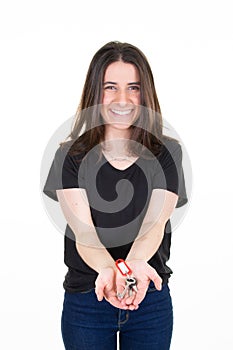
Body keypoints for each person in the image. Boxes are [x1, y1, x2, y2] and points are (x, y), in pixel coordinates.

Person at [43, 41, 188, 350]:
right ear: (95, 93)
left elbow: (155, 222)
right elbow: (84, 233)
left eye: (133, 87)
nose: (123, 99)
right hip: (88, 298)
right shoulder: (70, 156)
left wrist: (133, 267)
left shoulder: (167, 153)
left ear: (145, 93)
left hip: (149, 297)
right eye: (111, 87)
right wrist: (111, 272)